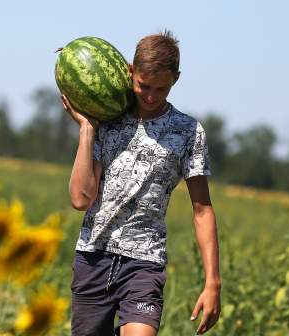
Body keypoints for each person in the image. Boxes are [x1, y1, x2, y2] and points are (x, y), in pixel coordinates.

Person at [61, 30, 221, 336]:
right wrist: (86, 128)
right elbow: (80, 199)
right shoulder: (107, 121)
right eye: (143, 86)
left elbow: (203, 211)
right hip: (93, 257)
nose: (150, 97)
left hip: (144, 264)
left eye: (160, 89)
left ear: (176, 78)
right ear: (130, 73)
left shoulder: (188, 132)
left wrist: (213, 282)